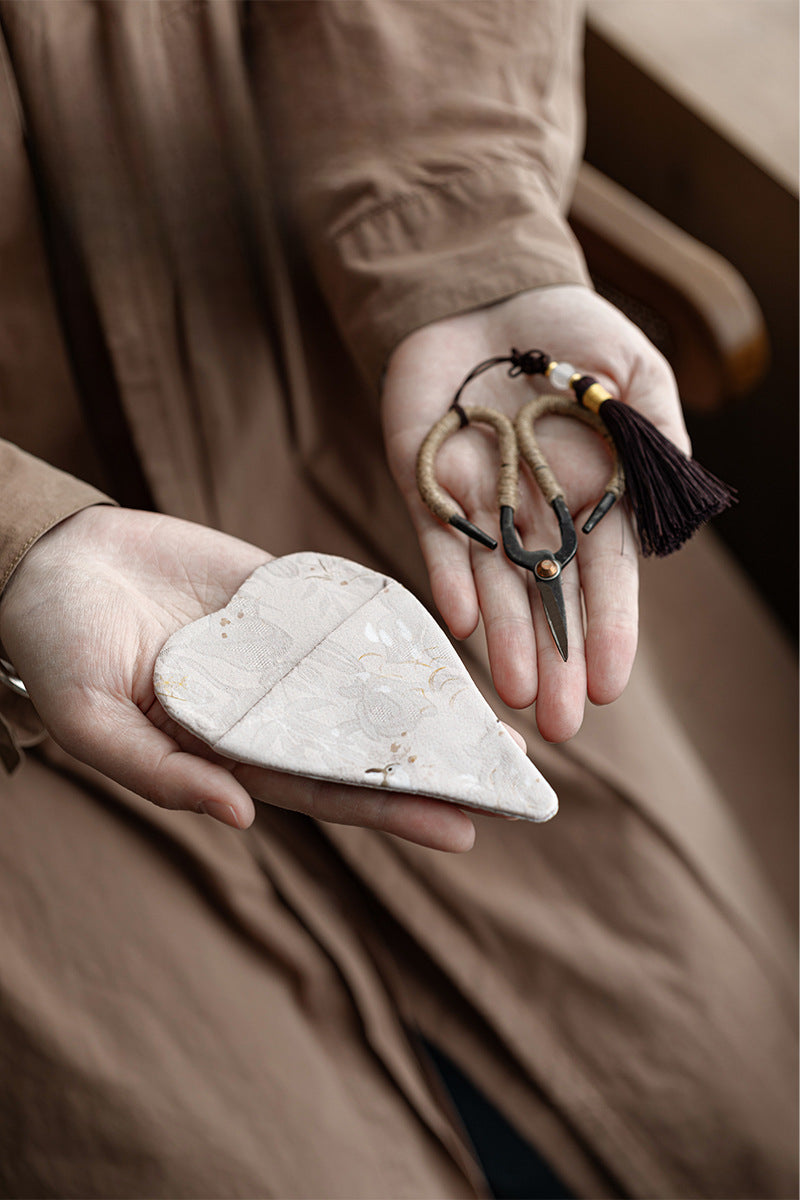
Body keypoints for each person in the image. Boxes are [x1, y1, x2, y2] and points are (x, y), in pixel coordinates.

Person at [0, 2, 795, 1197]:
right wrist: (22, 544)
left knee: (728, 1071)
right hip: (30, 685)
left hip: (343, 403)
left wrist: (455, 240)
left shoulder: (473, 466)